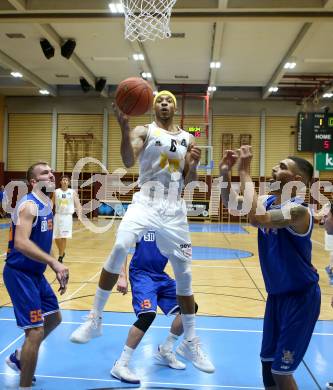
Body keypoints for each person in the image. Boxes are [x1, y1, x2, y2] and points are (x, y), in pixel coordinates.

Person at [70, 90, 215, 373]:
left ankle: (190, 340)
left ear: (174, 107)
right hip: (146, 200)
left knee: (184, 275)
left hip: (174, 208)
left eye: (169, 101)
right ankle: (95, 318)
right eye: (160, 100)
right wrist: (124, 130)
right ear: (152, 105)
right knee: (121, 245)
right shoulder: (143, 130)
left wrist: (194, 165)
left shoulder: (188, 138)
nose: (164, 103)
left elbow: (188, 179)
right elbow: (127, 160)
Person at [219, 146, 320, 390]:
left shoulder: (299, 211)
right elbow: (231, 204)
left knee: (281, 372)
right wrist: (224, 173)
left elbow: (258, 218)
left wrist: (244, 171)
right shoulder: (267, 201)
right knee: (267, 365)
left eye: (283, 167)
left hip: (300, 299)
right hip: (276, 298)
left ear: (296, 181)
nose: (275, 168)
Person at [3, 161, 69, 390]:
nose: (51, 175)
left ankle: (20, 357)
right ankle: (24, 386)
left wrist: (51, 266)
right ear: (33, 182)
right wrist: (53, 262)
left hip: (35, 274)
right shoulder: (28, 206)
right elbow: (21, 243)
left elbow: (43, 243)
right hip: (19, 273)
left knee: (54, 318)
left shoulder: (47, 205)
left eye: (51, 171)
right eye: (45, 173)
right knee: (35, 331)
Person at [111, 230, 199, 384]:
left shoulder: (170, 226)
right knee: (147, 315)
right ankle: (121, 364)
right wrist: (122, 276)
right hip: (141, 274)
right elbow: (122, 246)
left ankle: (166, 349)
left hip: (159, 275)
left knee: (190, 307)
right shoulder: (142, 221)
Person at [53, 175, 82, 263]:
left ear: (68, 183)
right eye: (63, 180)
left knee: (64, 236)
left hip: (67, 217)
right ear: (60, 182)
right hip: (58, 216)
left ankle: (61, 256)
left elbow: (78, 204)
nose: (65, 181)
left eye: (66, 180)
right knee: (56, 237)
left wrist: (80, 216)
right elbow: (52, 203)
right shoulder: (56, 192)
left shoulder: (72, 192)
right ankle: (62, 251)